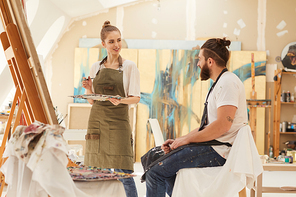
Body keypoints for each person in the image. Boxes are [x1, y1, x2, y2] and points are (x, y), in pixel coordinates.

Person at [145, 38, 248, 197]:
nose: (198, 64)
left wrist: (186, 141)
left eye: (199, 59)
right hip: (215, 146)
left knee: (154, 172)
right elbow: (207, 126)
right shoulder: (219, 83)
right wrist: (180, 140)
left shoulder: (227, 83)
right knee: (153, 156)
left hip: (220, 150)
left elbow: (222, 126)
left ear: (210, 61)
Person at [82, 20, 140, 197]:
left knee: (125, 174)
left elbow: (135, 98)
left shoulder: (129, 66)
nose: (117, 45)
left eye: (119, 40)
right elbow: (92, 102)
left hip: (119, 123)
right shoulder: (96, 67)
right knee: (100, 174)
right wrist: (88, 88)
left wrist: (120, 100)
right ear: (103, 44)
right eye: (112, 41)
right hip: (97, 122)